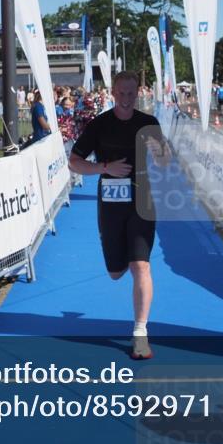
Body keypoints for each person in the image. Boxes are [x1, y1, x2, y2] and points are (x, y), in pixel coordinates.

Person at [67, 71, 169, 360]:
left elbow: (164, 162)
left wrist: (160, 151)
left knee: (141, 266)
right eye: (121, 93)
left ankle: (140, 332)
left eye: (131, 93)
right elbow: (74, 162)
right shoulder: (100, 124)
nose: (126, 98)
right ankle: (124, 257)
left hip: (142, 202)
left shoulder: (148, 123)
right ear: (113, 92)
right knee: (115, 272)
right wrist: (104, 168)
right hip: (110, 204)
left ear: (138, 93)